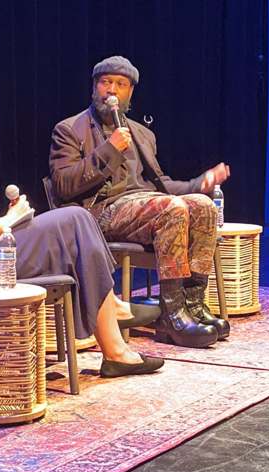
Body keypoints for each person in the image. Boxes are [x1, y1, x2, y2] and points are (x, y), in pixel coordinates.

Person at [0, 58, 162, 378]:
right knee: (77, 219)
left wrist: (9, 219)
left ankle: (111, 317)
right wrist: (13, 218)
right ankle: (113, 326)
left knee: (75, 221)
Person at [49, 55, 231, 348]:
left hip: (145, 205)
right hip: (100, 213)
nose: (112, 90)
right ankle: (172, 314)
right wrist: (109, 150)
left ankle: (193, 305)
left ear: (130, 92)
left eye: (120, 85)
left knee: (203, 206)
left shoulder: (142, 134)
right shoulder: (70, 129)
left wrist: (201, 183)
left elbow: (161, 184)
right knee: (171, 209)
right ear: (94, 88)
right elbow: (64, 185)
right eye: (106, 82)